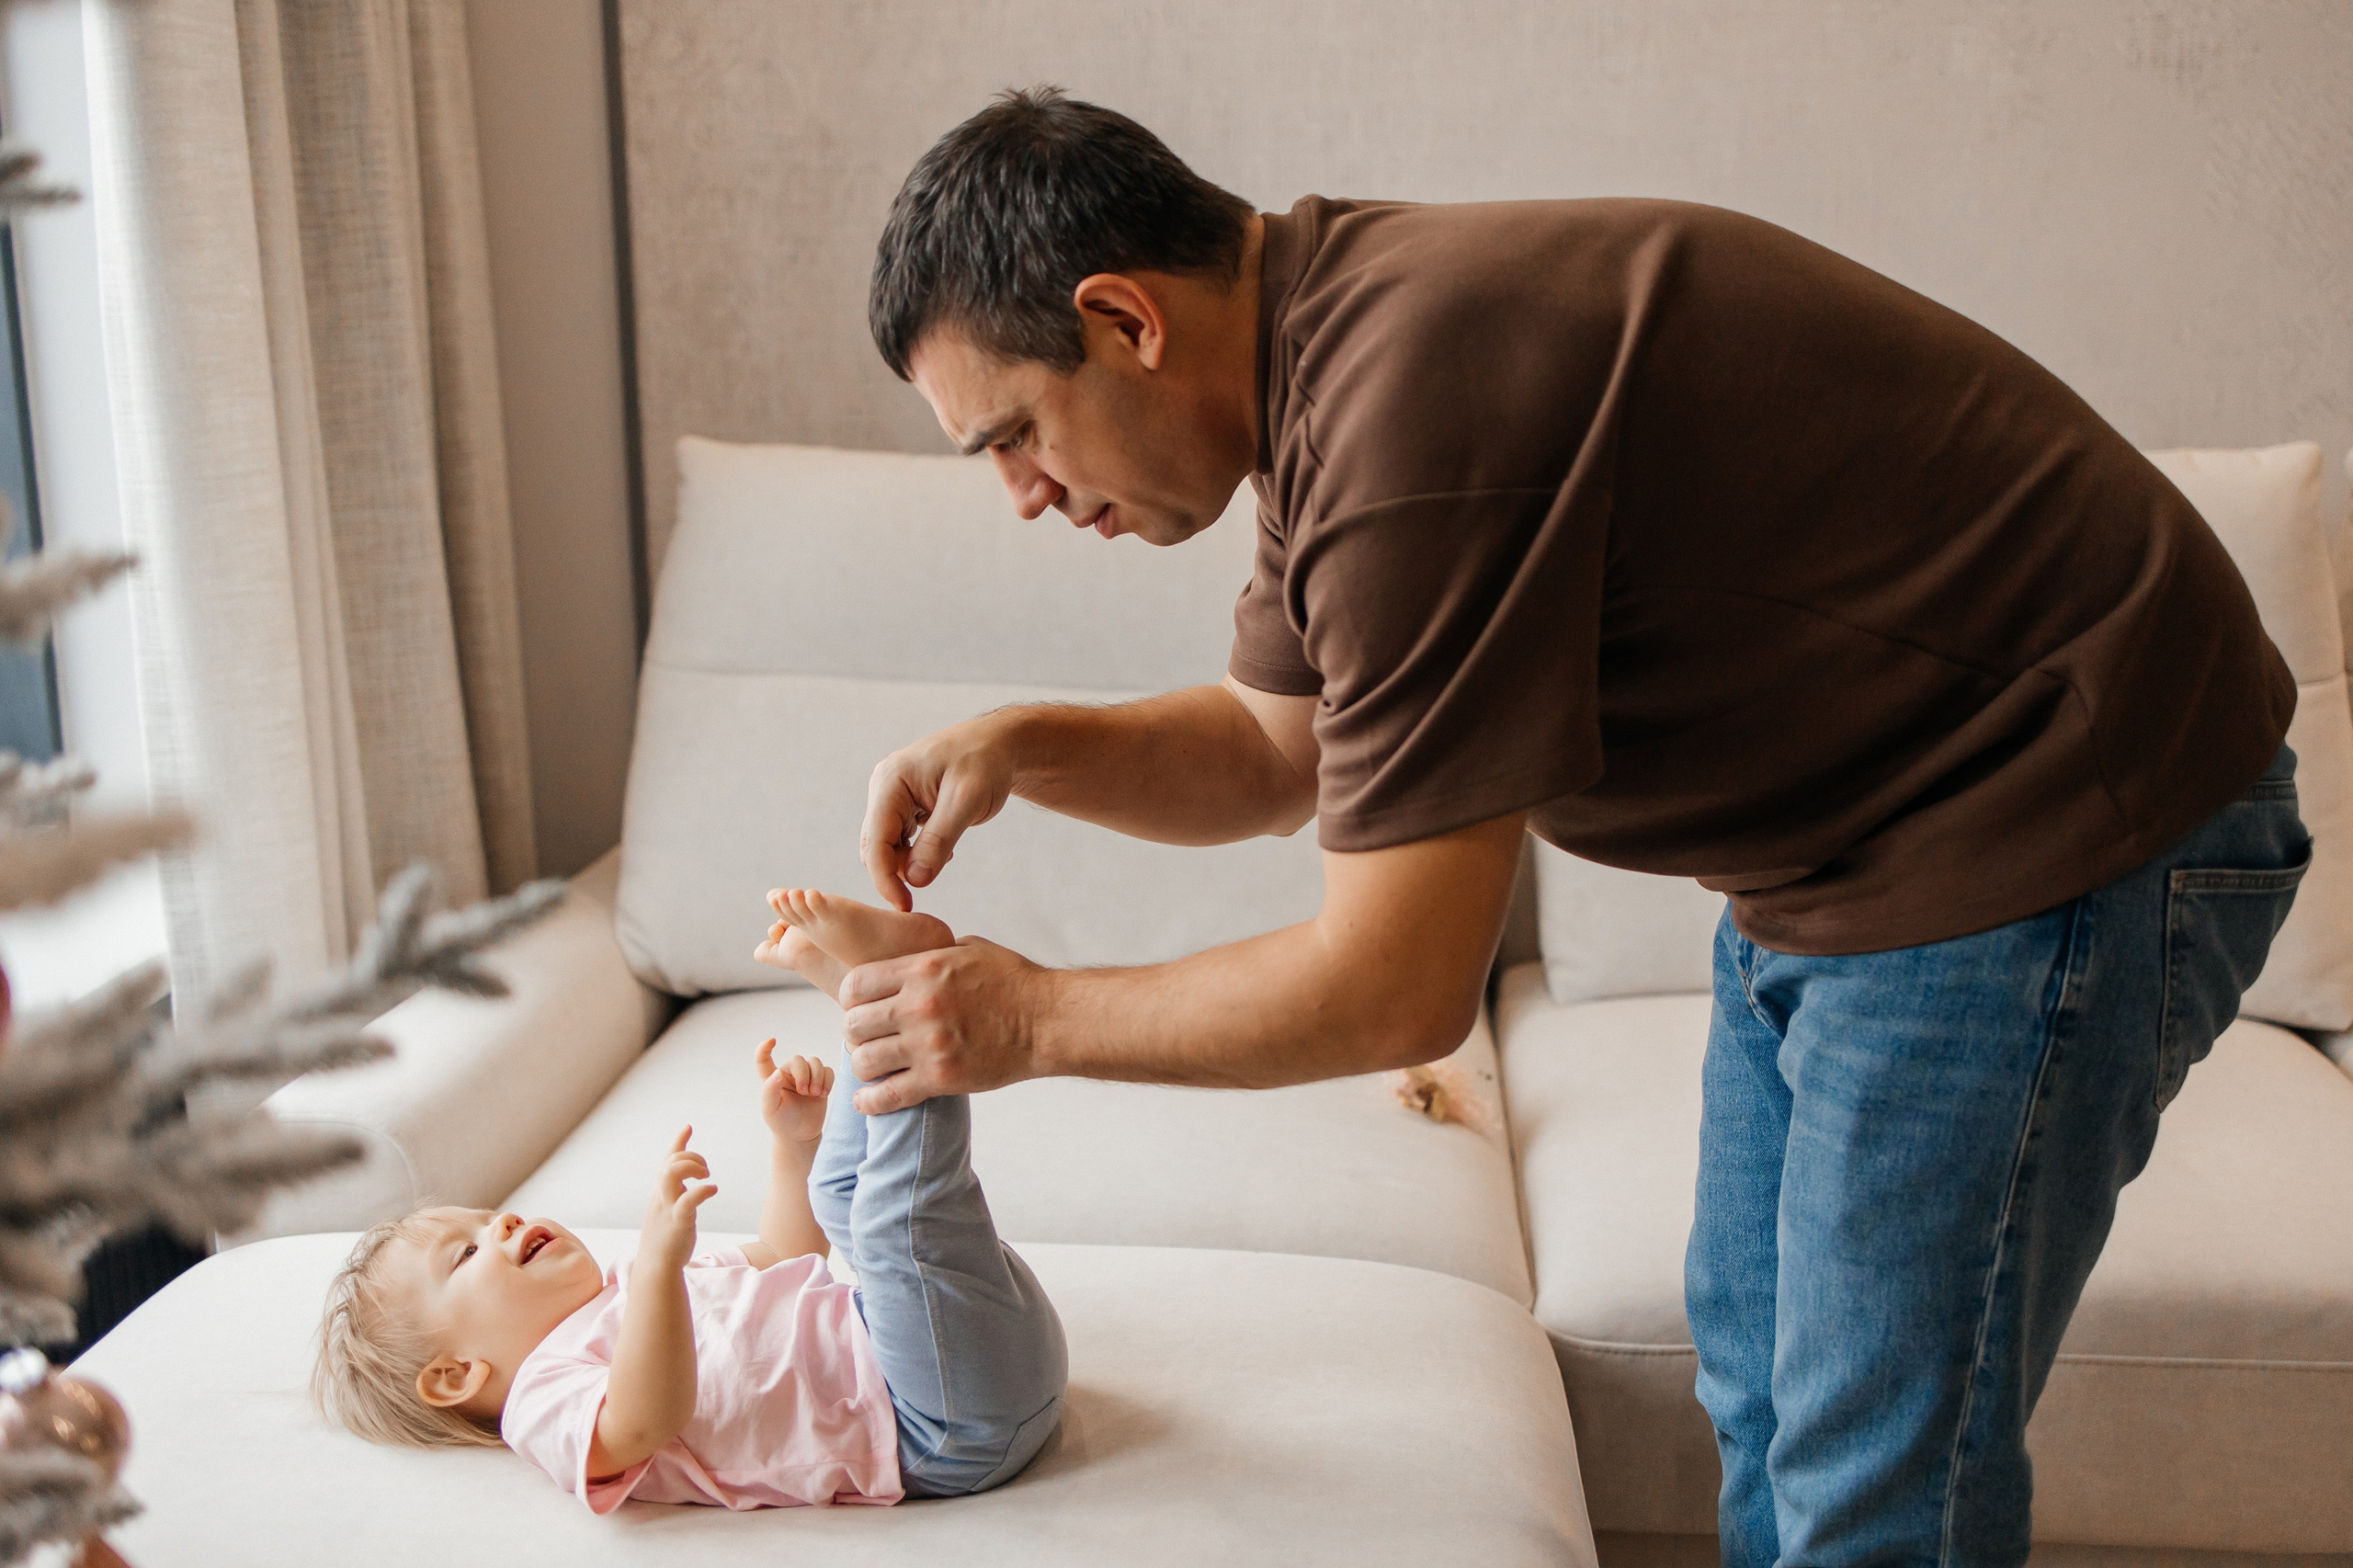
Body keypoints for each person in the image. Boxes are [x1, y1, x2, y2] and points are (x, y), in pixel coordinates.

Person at [836, 85, 2309, 1566]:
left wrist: (1025, 1021)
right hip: (1854, 850)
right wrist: (1026, 746)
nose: (1024, 494)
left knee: (1876, 1473)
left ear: (1124, 320)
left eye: (1015, 433)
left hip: (2053, 815)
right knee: (1760, 1379)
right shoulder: (1322, 366)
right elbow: (1270, 749)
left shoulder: (1412, 404)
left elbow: (1394, 984)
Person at [311, 892, 1067, 1510]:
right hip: (940, 1424)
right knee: (890, 1220)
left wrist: (792, 1146)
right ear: (456, 1374)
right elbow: (643, 1422)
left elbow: (784, 1257)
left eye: (485, 1217)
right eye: (468, 1252)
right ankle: (904, 997)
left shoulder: (626, 1289)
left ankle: (874, 1003)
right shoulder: (543, 1398)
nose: (503, 1220)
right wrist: (658, 1272)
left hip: (938, 1353)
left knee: (839, 1197)